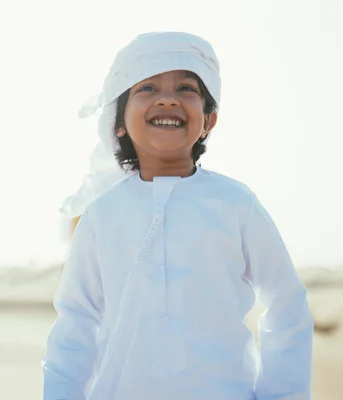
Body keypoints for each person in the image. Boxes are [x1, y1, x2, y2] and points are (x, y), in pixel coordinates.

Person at [43, 31, 313, 400]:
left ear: (209, 120)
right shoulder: (101, 216)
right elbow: (76, 322)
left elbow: (286, 306)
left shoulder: (235, 204)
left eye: (185, 88)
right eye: (148, 88)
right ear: (118, 121)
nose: (167, 99)